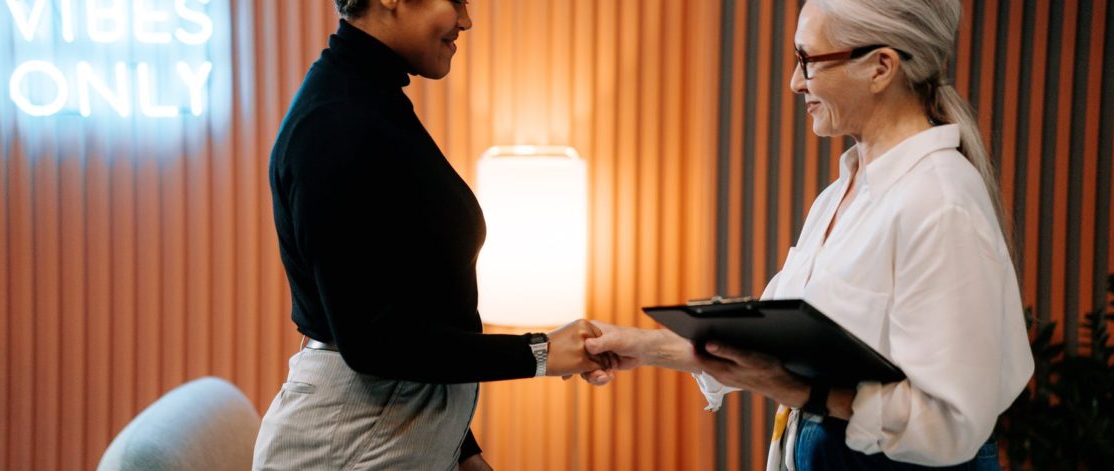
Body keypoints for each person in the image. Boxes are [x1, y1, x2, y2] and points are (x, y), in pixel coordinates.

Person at [582, 0, 1034, 469]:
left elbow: (951, 425)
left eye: (808, 61)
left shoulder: (939, 203)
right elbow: (772, 346)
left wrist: (796, 390)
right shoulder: (842, 193)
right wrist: (645, 345)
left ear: (881, 67)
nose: (796, 82)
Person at [253, 1, 608, 470]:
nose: (466, 20)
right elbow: (371, 339)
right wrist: (539, 353)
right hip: (349, 440)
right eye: (455, 0)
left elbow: (417, 303)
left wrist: (461, 449)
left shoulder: (369, 101)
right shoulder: (334, 122)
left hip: (384, 424)